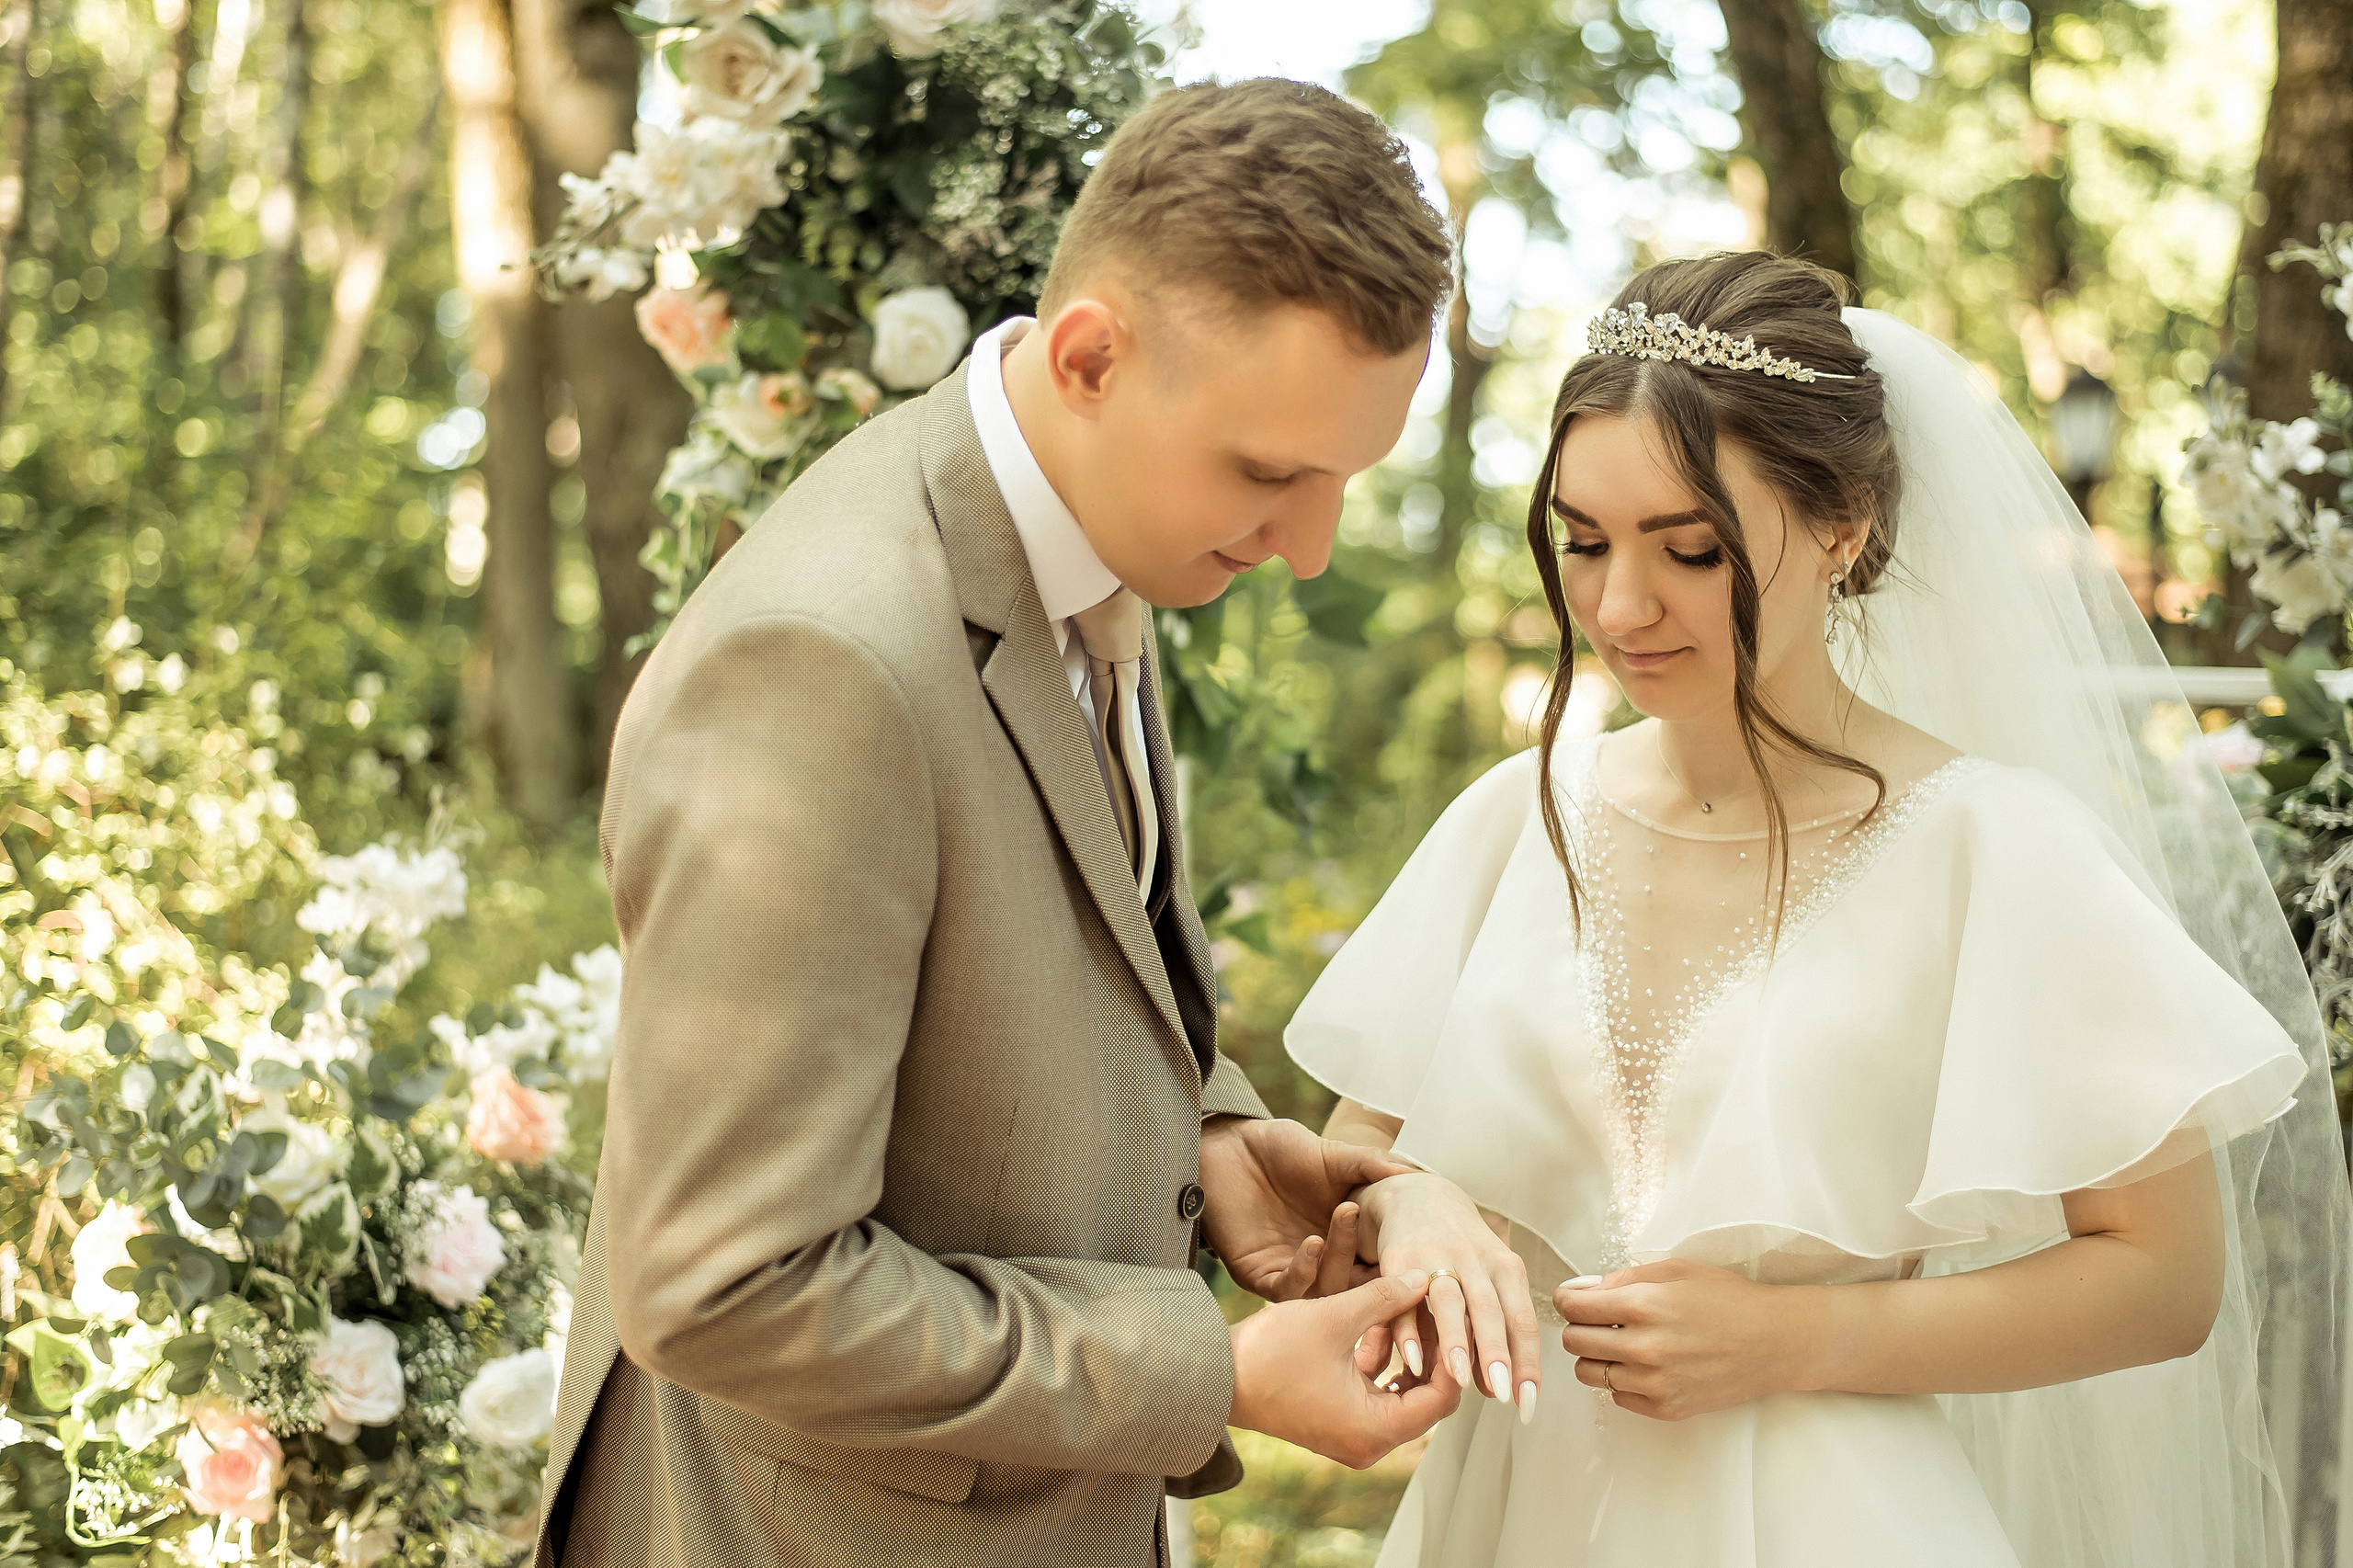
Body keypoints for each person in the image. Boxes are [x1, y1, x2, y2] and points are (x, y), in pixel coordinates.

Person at [1288, 251, 2351, 1566]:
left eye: (1689, 548)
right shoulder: (1519, 818)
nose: (1621, 607)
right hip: (1505, 1513)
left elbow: (2163, 1277)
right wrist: (1410, 1211)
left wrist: (1793, 1336)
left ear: (1842, 521)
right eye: (1583, 540)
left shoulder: (1992, 846)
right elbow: (1358, 1163)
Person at [531, 79, 1465, 1568]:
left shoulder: (1095, 537)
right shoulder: (826, 664)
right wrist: (1211, 1371)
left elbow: (1040, 955)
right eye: (1272, 475)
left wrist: (1213, 1130)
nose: (1309, 546)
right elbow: (725, 1284)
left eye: (1344, 479)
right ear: (1091, 356)